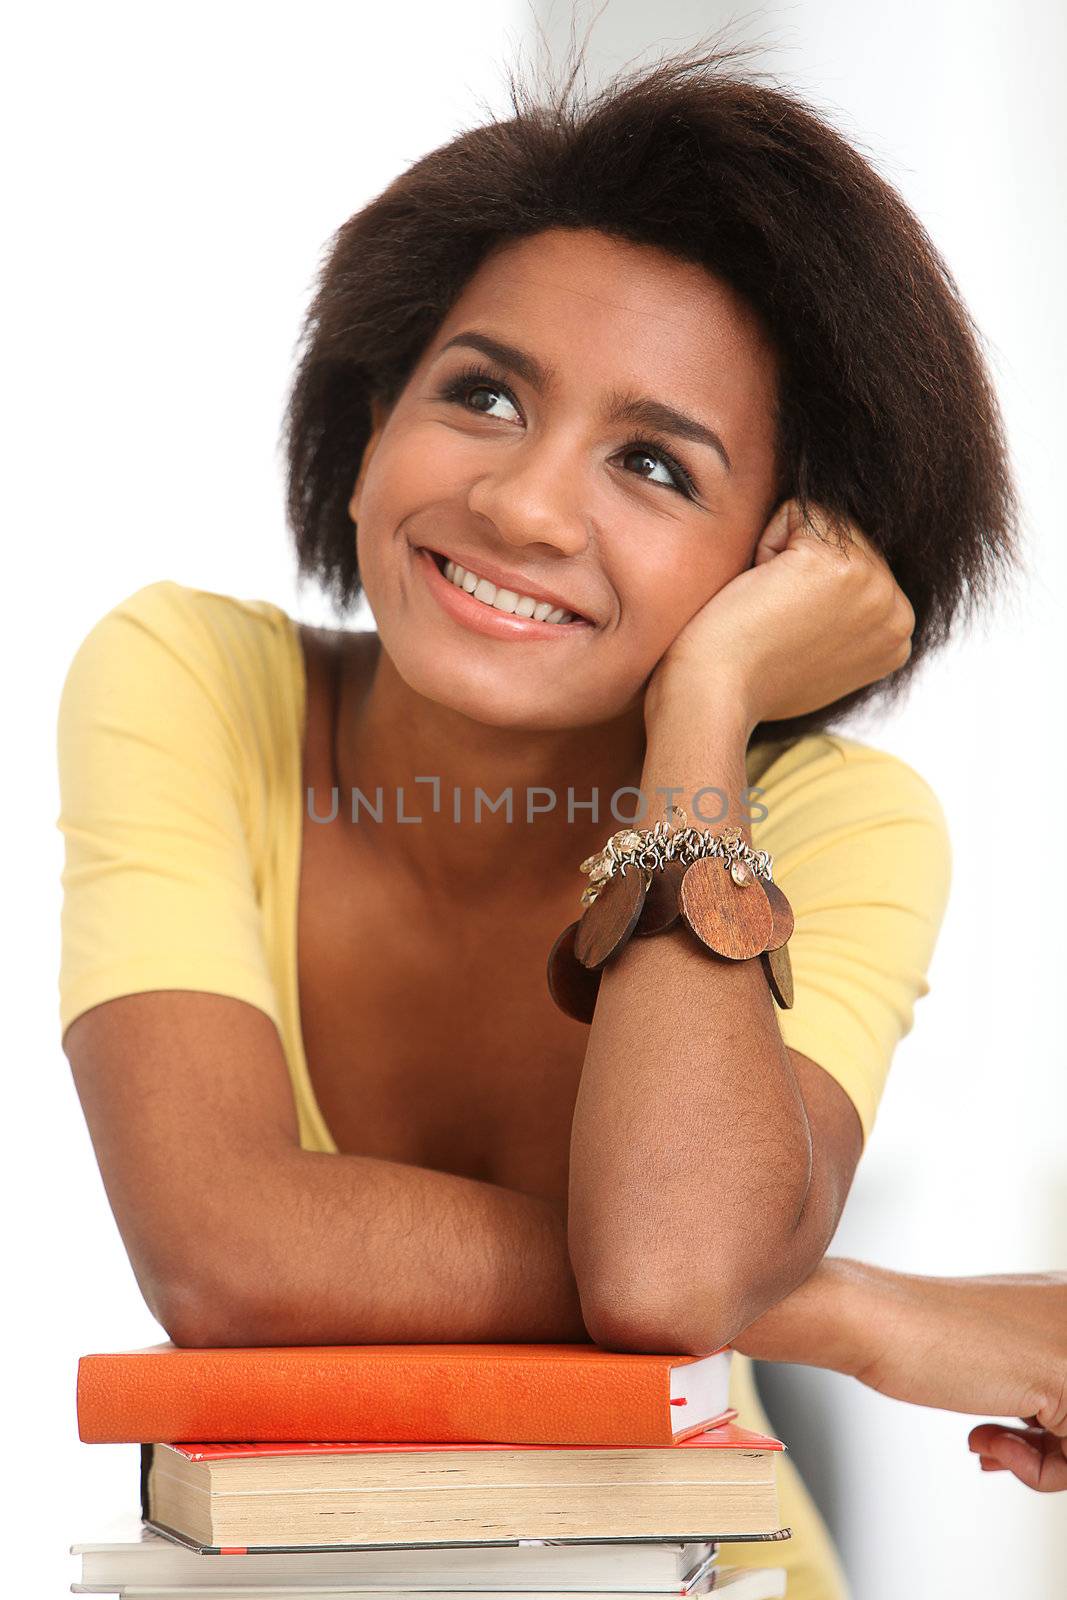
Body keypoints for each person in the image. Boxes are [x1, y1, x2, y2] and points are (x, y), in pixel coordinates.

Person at [55, 48, 1067, 1599]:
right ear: (371, 421)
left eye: (655, 465)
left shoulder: (841, 825)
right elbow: (221, 1251)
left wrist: (708, 705)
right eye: (482, 393)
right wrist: (855, 1305)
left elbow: (670, 1274)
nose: (526, 508)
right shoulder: (190, 679)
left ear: (783, 562)